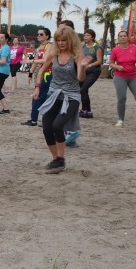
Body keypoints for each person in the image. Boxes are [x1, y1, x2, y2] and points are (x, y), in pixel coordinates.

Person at [34, 26, 85, 174]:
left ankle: (60, 159)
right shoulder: (54, 54)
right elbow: (42, 70)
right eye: (58, 40)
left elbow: (81, 79)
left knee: (57, 126)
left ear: (70, 40)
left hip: (71, 96)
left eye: (64, 40)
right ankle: (57, 159)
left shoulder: (76, 56)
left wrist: (82, 67)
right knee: (46, 126)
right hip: (54, 94)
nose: (61, 43)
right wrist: (37, 86)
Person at [108, 31, 136, 129]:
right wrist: (117, 66)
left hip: (133, 76)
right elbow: (111, 63)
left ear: (128, 38)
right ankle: (120, 120)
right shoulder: (115, 50)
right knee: (122, 98)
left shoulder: (134, 48)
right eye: (120, 36)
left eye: (124, 36)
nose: (122, 38)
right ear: (118, 38)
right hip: (120, 76)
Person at [21, 27, 53, 127]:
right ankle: (41, 120)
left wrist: (30, 61)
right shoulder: (39, 47)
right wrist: (30, 74)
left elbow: (46, 60)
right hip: (40, 75)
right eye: (38, 34)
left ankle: (35, 120)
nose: (38, 36)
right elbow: (35, 62)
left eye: (41, 34)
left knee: (38, 97)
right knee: (42, 97)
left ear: (47, 36)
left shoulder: (50, 46)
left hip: (47, 74)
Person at [78, 29, 104, 119]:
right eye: (84, 35)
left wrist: (90, 65)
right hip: (84, 71)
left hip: (94, 71)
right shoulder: (83, 47)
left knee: (84, 89)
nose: (85, 37)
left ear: (92, 37)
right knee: (82, 90)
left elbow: (99, 61)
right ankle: (85, 110)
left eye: (87, 35)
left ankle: (87, 111)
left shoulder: (97, 47)